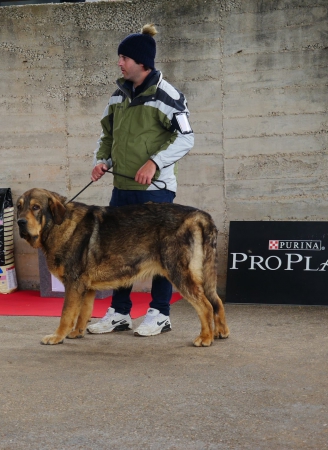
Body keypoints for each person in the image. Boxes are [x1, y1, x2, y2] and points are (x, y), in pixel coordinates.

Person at [87, 23, 194, 337]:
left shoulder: (167, 95)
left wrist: (153, 162)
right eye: (120, 57)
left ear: (142, 61)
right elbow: (107, 135)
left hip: (155, 191)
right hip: (122, 190)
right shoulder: (118, 94)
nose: (120, 62)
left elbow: (186, 138)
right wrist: (101, 162)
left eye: (125, 58)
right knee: (118, 253)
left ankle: (160, 313)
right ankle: (119, 313)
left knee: (160, 254)